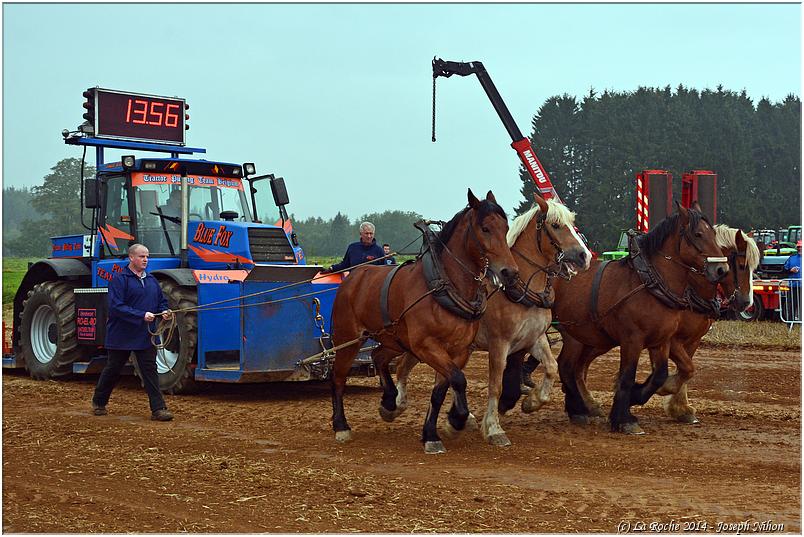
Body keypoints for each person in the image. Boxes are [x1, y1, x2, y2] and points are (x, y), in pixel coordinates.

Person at [91, 244, 175, 421]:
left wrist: (165, 311)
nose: (145, 259)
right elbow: (116, 307)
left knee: (150, 370)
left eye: (147, 256)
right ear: (131, 258)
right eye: (141, 256)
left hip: (145, 335)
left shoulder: (152, 280)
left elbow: (161, 302)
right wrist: (141, 315)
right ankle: (99, 402)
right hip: (121, 334)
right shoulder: (119, 280)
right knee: (113, 369)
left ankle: (158, 409)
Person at [782, 241, 801, 321]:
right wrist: (791, 270)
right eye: (799, 247)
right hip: (793, 286)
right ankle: (790, 323)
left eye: (802, 247)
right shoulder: (792, 258)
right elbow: (784, 270)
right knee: (792, 306)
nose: (800, 249)